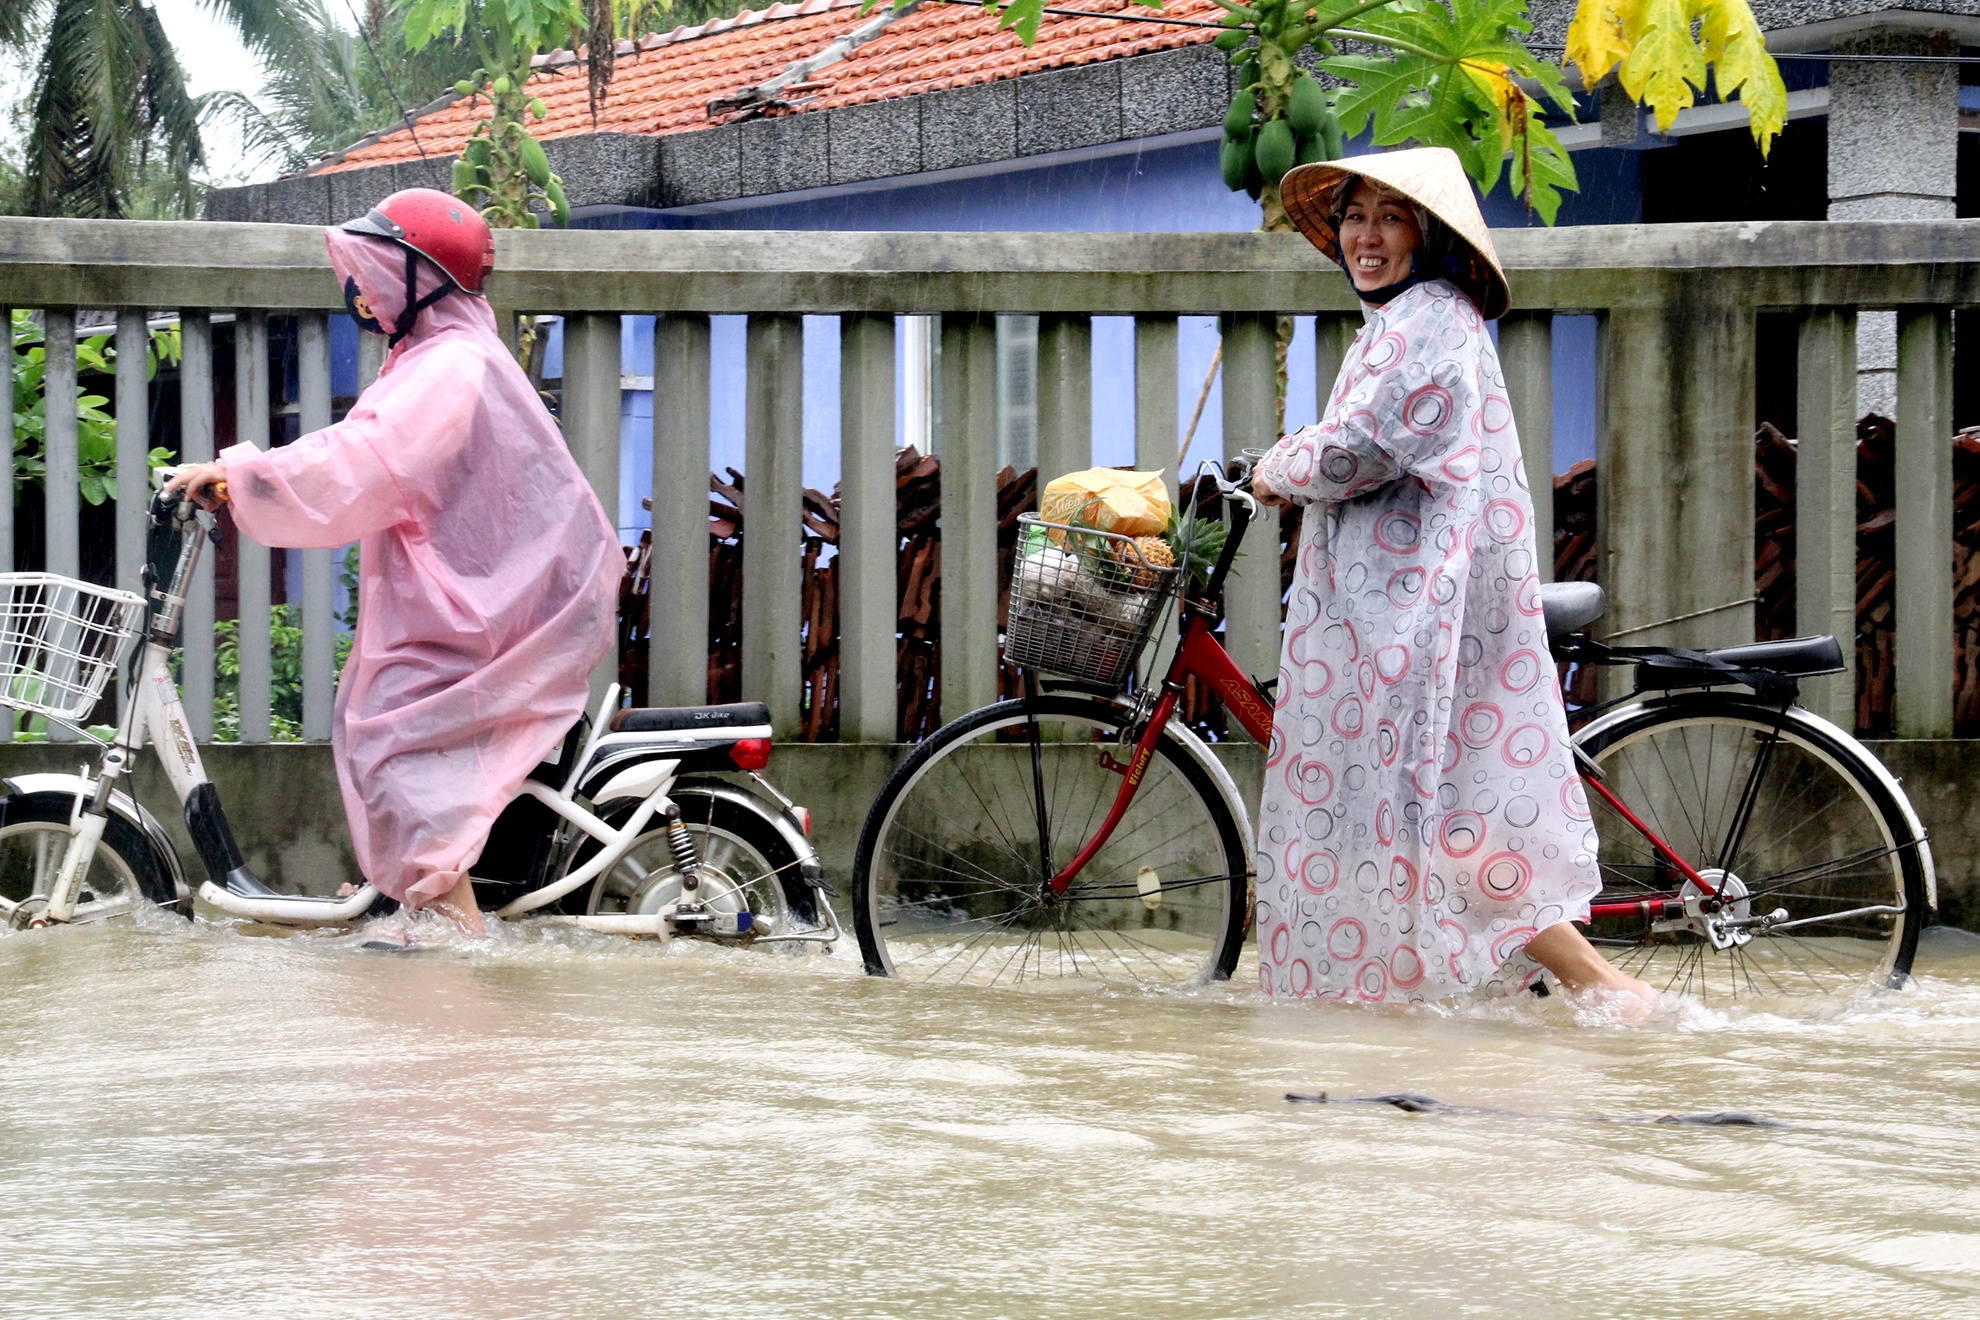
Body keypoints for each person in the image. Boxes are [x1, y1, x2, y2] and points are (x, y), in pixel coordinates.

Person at [1248, 148, 1655, 1011]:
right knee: (1432, 814)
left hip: (1430, 615)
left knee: (1444, 816)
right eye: (1355, 215)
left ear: (1425, 236)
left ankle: (1607, 987)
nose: (1367, 235)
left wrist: (1280, 466)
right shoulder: (1398, 324)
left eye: (1390, 218)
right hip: (1396, 611)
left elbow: (1371, 442)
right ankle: (1478, 993)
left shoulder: (1432, 317)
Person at [165, 190, 624, 936]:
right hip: (473, 602)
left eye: (374, 269)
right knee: (383, 738)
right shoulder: (435, 358)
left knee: (396, 755)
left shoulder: (449, 366)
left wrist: (238, 475)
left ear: (423, 280)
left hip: (480, 616)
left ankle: (457, 972)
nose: (358, 287)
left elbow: (364, 460)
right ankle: (423, 915)